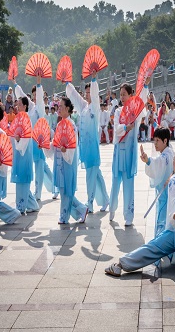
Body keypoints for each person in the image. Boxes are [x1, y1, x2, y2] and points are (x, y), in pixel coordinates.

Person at [105, 146, 175, 277]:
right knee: (161, 242)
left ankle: (120, 264)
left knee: (152, 247)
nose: (172, 163)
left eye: (174, 160)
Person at [65, 71, 109, 213]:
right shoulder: (83, 107)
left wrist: (94, 79)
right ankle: (106, 199)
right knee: (96, 174)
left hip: (93, 148)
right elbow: (75, 97)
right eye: (86, 92)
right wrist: (67, 84)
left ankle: (90, 203)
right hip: (84, 147)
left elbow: (95, 96)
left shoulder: (95, 107)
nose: (87, 94)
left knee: (91, 174)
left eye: (90, 92)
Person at [110, 78, 149, 226]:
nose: (122, 97)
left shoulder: (136, 112)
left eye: (124, 94)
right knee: (115, 182)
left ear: (131, 95)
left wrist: (145, 86)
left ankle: (128, 215)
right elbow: (116, 129)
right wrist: (126, 128)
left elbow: (142, 101)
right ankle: (112, 209)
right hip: (119, 151)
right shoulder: (119, 111)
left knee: (128, 183)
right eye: (120, 94)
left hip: (130, 153)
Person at [45, 97, 88, 224]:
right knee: (64, 190)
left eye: (62, 107)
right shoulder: (59, 125)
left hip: (68, 161)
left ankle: (64, 216)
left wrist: (66, 151)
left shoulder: (72, 126)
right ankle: (81, 209)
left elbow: (72, 146)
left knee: (67, 189)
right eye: (59, 107)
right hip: (59, 160)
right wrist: (46, 145)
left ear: (68, 109)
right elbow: (55, 143)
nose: (59, 109)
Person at [11, 76, 54, 202]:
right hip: (29, 142)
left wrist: (39, 84)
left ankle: (38, 193)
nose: (35, 97)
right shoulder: (29, 107)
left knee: (39, 167)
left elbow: (40, 100)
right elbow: (22, 95)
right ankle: (55, 186)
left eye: (37, 94)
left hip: (39, 141)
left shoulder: (39, 108)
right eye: (34, 94)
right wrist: (15, 84)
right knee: (43, 167)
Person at [139, 127, 174, 237]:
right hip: (167, 193)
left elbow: (159, 162)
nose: (155, 143)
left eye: (157, 140)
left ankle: (161, 245)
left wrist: (148, 160)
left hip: (165, 194)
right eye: (154, 140)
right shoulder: (170, 151)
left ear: (165, 141)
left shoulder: (166, 155)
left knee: (162, 220)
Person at [10, 95, 40, 214]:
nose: (17, 106)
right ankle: (32, 204)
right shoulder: (18, 118)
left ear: (25, 106)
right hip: (18, 153)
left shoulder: (26, 119)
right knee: (20, 180)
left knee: (23, 180)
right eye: (17, 104)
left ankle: (21, 207)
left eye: (20, 105)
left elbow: (26, 138)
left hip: (24, 152)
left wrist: (18, 141)